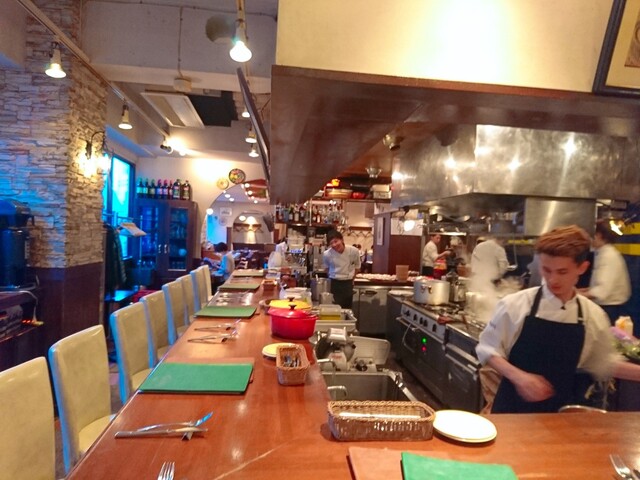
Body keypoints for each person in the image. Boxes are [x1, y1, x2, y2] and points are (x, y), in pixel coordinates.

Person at [476, 225, 640, 414]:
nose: (553, 279)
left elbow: (603, 364)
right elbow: (487, 349)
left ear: (582, 268)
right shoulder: (515, 304)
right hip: (512, 413)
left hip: (561, 416)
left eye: (562, 272)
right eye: (547, 270)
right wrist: (519, 377)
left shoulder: (592, 315)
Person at [578, 220, 631, 324]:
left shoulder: (608, 256)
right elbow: (599, 285)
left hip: (610, 308)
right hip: (607, 306)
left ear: (598, 236)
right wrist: (581, 291)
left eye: (590, 236)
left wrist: (575, 295)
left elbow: (602, 291)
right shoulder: (603, 253)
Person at [322, 230, 361, 309]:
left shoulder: (353, 251)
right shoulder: (327, 254)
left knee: (347, 307)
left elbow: (357, 266)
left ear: (342, 240)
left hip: (347, 283)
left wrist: (352, 279)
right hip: (334, 283)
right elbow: (326, 268)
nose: (334, 245)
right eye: (331, 243)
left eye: (336, 241)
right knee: (334, 308)